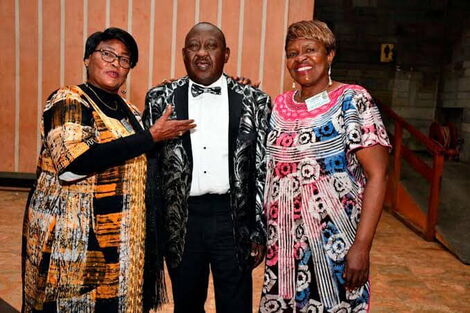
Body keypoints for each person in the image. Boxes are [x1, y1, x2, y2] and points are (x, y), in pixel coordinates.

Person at [22, 27, 195, 313]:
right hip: (74, 240)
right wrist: (149, 137)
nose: (115, 63)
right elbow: (73, 164)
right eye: (107, 54)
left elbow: (141, 155)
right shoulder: (68, 100)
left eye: (125, 59)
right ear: (88, 58)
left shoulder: (128, 109)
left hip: (120, 243)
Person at [258, 20, 391, 313]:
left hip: (335, 246)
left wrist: (362, 247)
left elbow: (378, 175)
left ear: (329, 54)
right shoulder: (278, 106)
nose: (300, 59)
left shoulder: (352, 100)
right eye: (292, 53)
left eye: (310, 50)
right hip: (283, 251)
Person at [143, 22, 270, 313]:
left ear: (226, 54)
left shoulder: (255, 101)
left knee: (236, 304)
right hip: (182, 220)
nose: (202, 53)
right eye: (194, 46)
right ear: (183, 53)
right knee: (186, 304)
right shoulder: (159, 99)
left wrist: (258, 230)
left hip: (232, 217)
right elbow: (150, 167)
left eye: (211, 46)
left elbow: (262, 169)